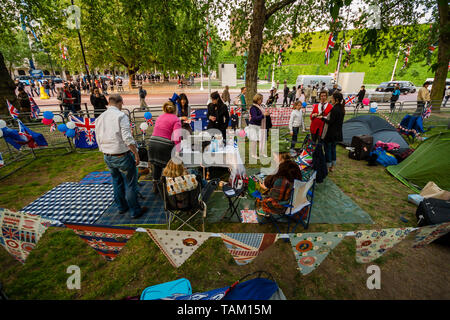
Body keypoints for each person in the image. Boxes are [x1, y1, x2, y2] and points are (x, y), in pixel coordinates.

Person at [95, 94, 147, 219]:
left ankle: (122, 207)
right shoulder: (121, 116)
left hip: (107, 155)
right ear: (121, 103)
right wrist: (136, 153)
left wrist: (103, 150)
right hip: (121, 155)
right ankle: (135, 211)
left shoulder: (100, 117)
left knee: (117, 181)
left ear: (109, 102)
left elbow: (98, 137)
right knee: (130, 183)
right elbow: (127, 138)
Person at [256, 151, 303, 216]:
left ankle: (265, 211)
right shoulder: (294, 165)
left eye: (274, 156)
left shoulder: (281, 178)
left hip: (283, 205)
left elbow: (275, 197)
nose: (274, 158)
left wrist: (265, 188)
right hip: (295, 198)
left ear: (280, 156)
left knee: (259, 194)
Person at [148, 101, 182, 192]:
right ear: (175, 109)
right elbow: (177, 136)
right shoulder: (176, 119)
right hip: (165, 145)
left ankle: (155, 185)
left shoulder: (160, 117)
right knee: (169, 166)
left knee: (156, 165)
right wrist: (178, 150)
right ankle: (168, 186)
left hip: (152, 142)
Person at [318, 92, 345, 172]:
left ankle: (328, 166)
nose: (331, 100)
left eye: (332, 98)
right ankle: (332, 166)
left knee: (328, 150)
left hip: (331, 134)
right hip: (337, 133)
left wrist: (322, 118)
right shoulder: (341, 108)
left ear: (336, 100)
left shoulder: (334, 109)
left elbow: (330, 122)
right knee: (333, 149)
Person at [248, 93, 269, 159]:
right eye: (260, 99)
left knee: (262, 139)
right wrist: (263, 115)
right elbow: (254, 118)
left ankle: (262, 152)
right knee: (254, 140)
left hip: (260, 125)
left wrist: (266, 114)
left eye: (262, 99)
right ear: (257, 99)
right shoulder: (253, 108)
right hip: (254, 125)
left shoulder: (260, 106)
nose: (262, 101)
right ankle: (253, 154)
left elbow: (262, 114)